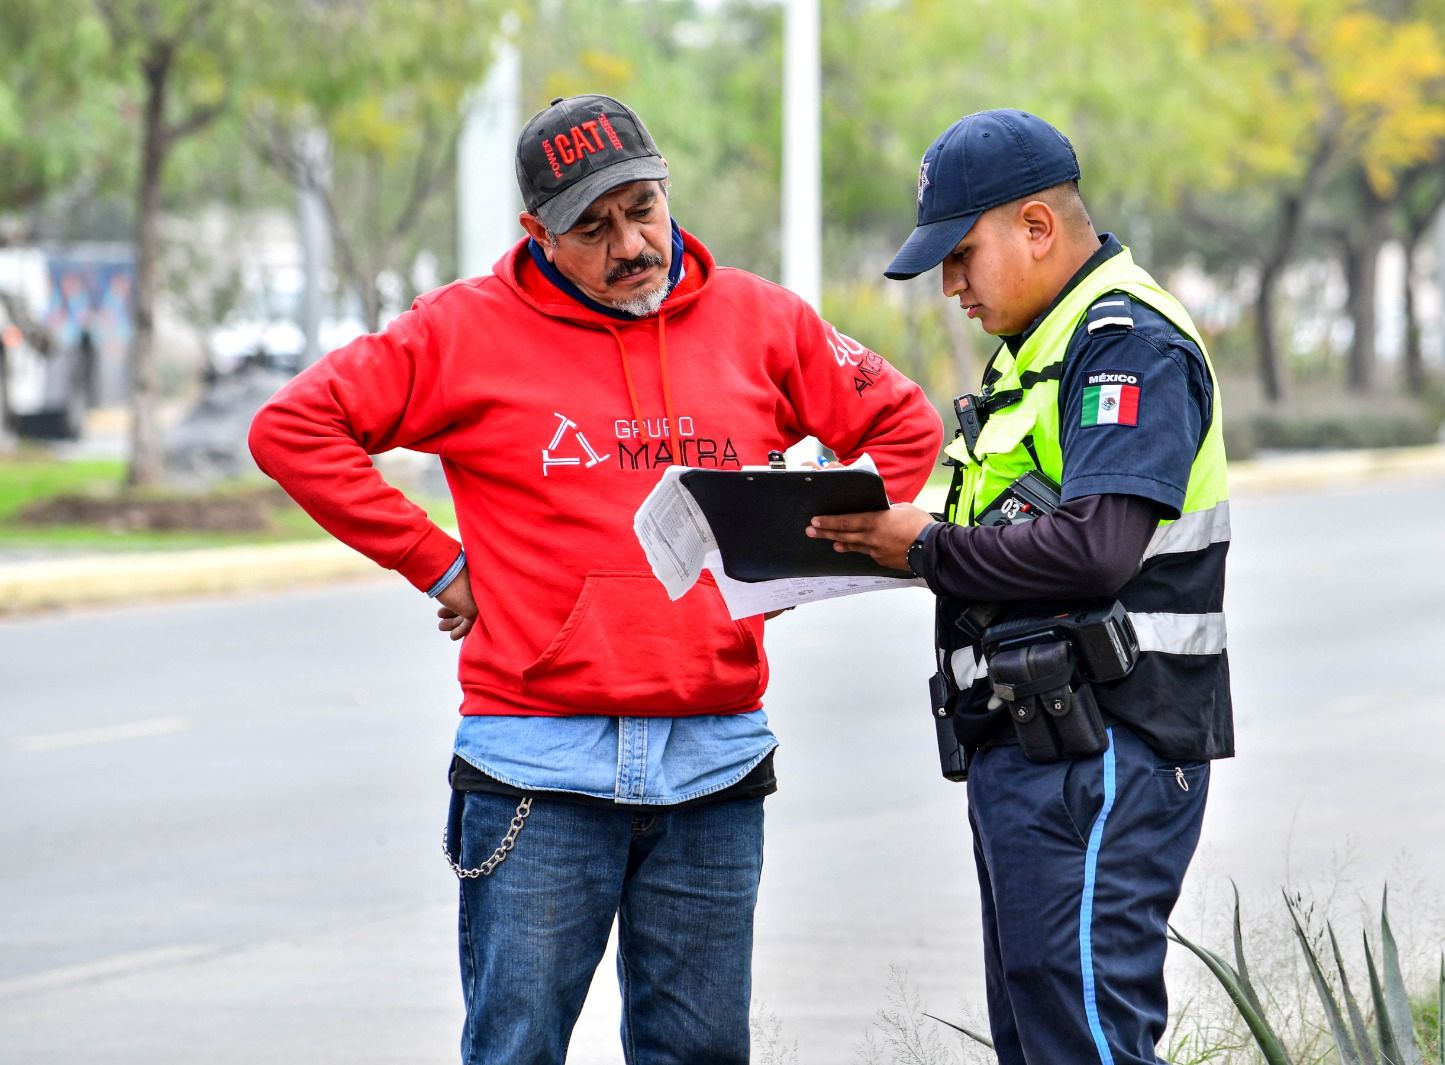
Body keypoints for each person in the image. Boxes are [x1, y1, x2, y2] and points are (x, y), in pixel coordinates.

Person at [248, 93, 943, 1065]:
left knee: (700, 1055)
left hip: (713, 761)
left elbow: (903, 424)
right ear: (537, 233)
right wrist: (438, 563)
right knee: (517, 1050)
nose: (630, 245)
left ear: (665, 190)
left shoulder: (760, 319)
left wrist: (795, 557)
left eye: (643, 209)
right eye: (592, 227)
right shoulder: (460, 331)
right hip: (537, 765)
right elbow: (293, 429)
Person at [807, 109, 1231, 1065]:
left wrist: (925, 548)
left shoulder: (1125, 342)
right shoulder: (1038, 352)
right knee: (1041, 1037)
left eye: (961, 255)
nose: (950, 285)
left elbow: (1096, 551)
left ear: (1037, 226)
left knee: (1083, 1039)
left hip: (1106, 745)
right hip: (1038, 745)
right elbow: (1004, 537)